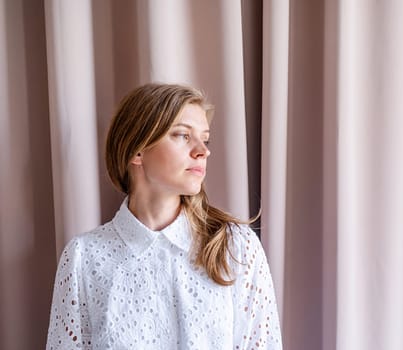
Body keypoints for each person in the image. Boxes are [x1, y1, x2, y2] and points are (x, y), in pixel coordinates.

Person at [46, 83, 282, 349]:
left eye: (205, 139)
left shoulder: (236, 246)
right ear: (137, 150)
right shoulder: (83, 257)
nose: (203, 150)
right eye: (183, 135)